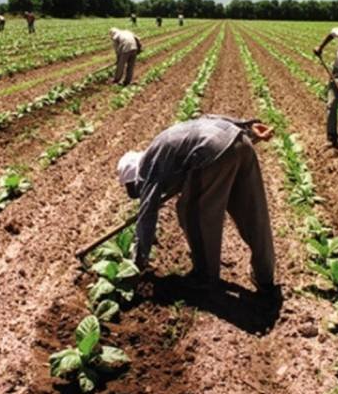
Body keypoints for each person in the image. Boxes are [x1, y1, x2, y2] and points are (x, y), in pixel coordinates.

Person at [116, 115, 277, 293]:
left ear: (134, 176)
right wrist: (247, 128)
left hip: (212, 152)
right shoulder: (164, 146)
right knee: (252, 213)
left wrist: (137, 263)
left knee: (191, 212)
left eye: (134, 188)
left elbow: (147, 213)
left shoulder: (149, 165)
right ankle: (264, 276)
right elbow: (208, 119)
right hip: (240, 141)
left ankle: (204, 276)